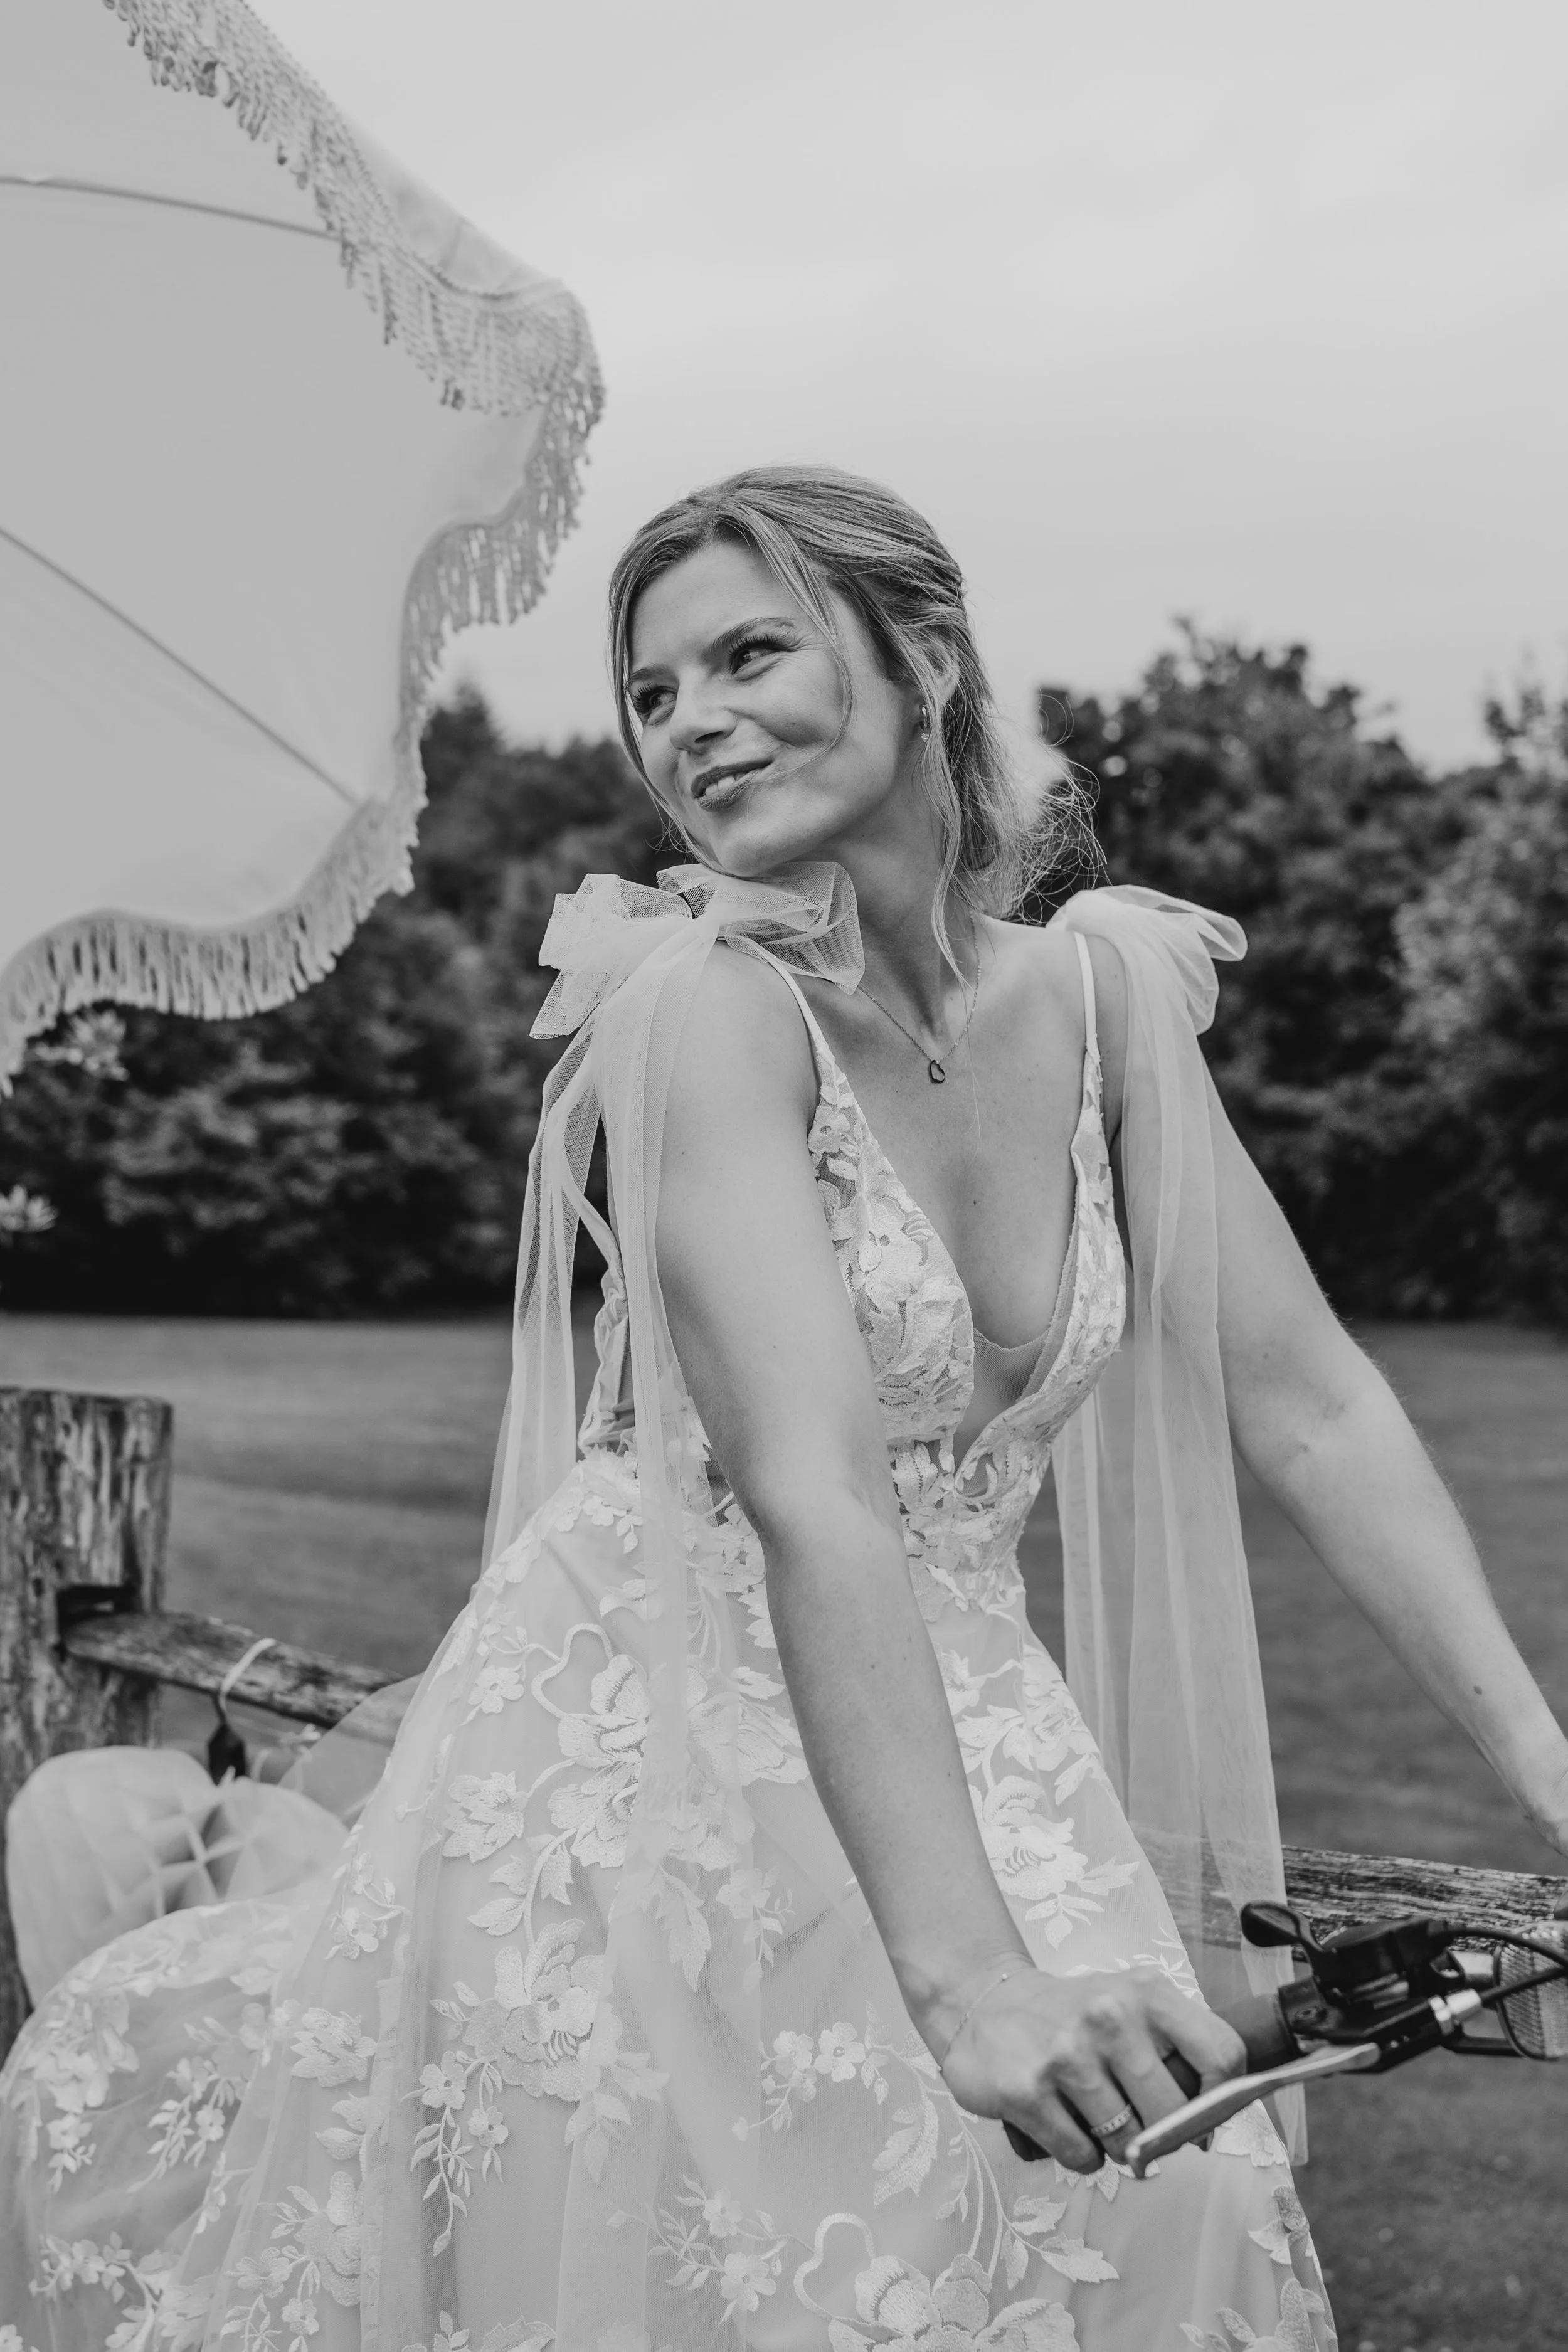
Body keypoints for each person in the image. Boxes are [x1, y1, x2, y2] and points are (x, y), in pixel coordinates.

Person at [4, 467, 1566, 2352]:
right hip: (647, 1744)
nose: (691, 724)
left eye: (748, 653)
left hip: (976, 1710)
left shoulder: (1108, 996)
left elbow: (1312, 1406)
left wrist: (1543, 1765)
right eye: (652, 692)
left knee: (1157, 2200)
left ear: (922, 660)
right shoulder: (702, 1014)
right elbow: (811, 1484)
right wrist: (968, 1973)